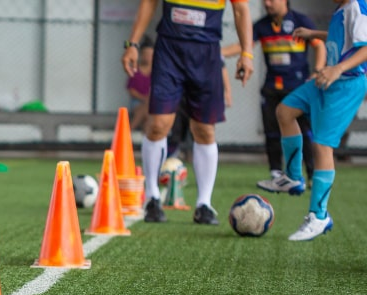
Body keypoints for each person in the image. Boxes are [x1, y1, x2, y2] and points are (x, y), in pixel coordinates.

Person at [123, 0, 254, 225]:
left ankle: (204, 204)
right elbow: (149, 3)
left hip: (207, 54)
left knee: (204, 130)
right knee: (159, 125)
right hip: (169, 52)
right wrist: (133, 43)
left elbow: (241, 10)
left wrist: (247, 54)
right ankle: (152, 198)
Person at [261, 0, 367, 241]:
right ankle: (293, 177)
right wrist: (313, 34)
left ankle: (319, 216)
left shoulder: (358, 6)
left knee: (321, 145)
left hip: (346, 84)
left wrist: (337, 69)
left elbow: (365, 46)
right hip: (328, 79)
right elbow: (345, 38)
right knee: (285, 111)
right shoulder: (342, 8)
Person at [224, 0, 324, 189]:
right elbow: (243, 46)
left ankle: (312, 174)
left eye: (271, 0)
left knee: (306, 132)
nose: (267, 4)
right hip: (271, 87)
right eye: (264, 0)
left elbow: (319, 46)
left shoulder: (300, 21)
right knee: (271, 133)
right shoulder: (261, 25)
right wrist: (217, 52)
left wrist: (318, 70)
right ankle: (277, 174)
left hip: (298, 88)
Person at [127, 36, 154, 131]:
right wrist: (144, 98)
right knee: (145, 110)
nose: (148, 57)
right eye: (145, 54)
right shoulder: (135, 70)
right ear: (141, 55)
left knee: (148, 112)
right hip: (137, 101)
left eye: (150, 54)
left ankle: (128, 131)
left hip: (152, 102)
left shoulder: (156, 71)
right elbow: (131, 90)